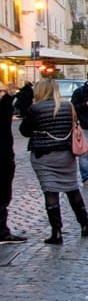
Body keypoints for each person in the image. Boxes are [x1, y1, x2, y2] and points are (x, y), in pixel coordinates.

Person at [19, 78, 88, 244]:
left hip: (44, 155)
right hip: (66, 154)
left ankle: (57, 232)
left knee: (50, 191)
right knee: (72, 188)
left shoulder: (35, 108)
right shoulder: (68, 106)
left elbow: (24, 131)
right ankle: (85, 226)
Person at [0, 84, 27, 243]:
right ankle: (2, 232)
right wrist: (9, 97)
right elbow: (3, 116)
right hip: (2, 159)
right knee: (2, 195)